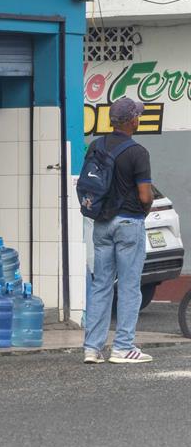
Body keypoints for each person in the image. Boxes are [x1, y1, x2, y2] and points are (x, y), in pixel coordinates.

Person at [83, 97, 154, 364]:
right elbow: (145, 195)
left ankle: (92, 348)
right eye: (138, 116)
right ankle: (123, 347)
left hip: (101, 224)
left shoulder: (95, 146)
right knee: (128, 287)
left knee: (101, 285)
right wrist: (144, 211)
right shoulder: (138, 152)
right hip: (128, 224)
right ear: (132, 120)